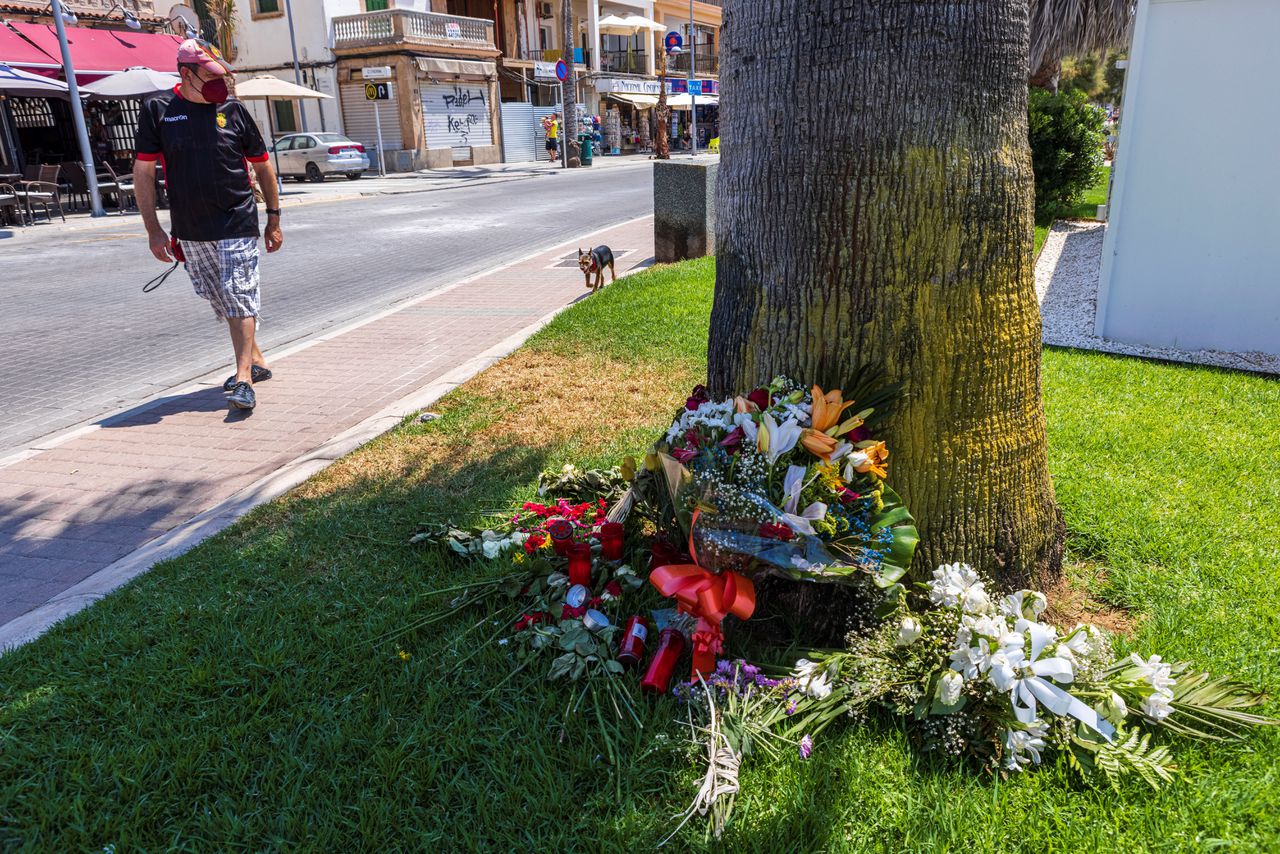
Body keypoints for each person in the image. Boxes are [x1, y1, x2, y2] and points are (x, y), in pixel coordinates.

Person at [133, 39, 283, 412]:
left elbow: (263, 166)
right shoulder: (158, 109)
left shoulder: (232, 110)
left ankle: (243, 378)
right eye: (211, 76)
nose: (221, 85)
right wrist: (153, 229)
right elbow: (143, 172)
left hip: (237, 219)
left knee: (239, 293)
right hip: (191, 226)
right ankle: (258, 360)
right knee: (219, 297)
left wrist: (274, 218)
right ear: (186, 74)